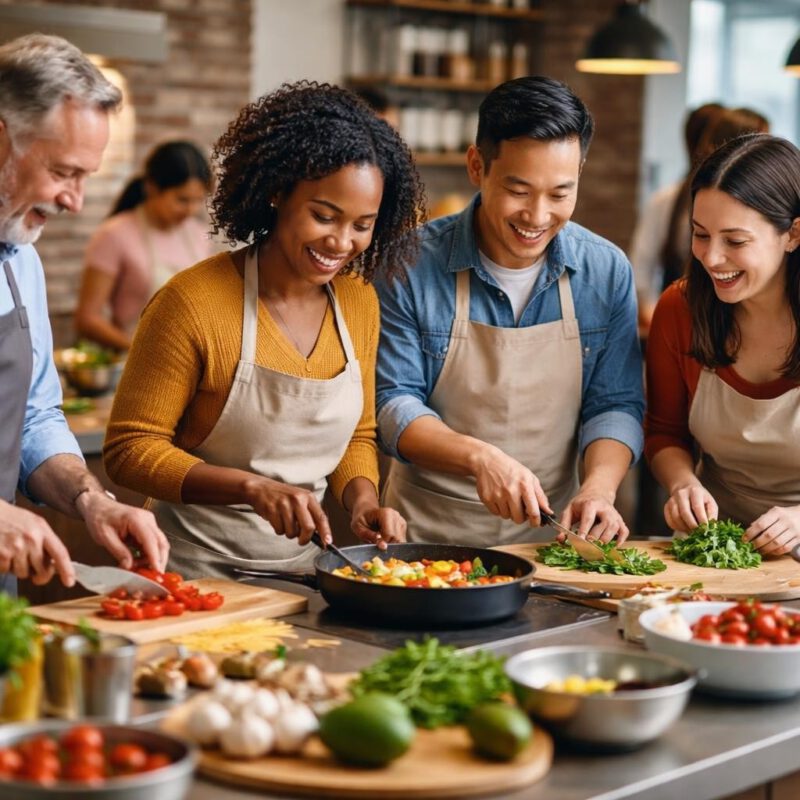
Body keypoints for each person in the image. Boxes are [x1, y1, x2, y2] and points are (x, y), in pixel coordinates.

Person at [104, 81, 424, 577]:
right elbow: (129, 451)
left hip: (305, 573)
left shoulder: (359, 303)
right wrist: (249, 488)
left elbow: (357, 433)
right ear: (277, 192)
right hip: (189, 571)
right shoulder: (193, 303)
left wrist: (362, 502)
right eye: (324, 215)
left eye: (363, 224)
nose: (341, 242)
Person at [376, 76, 644, 546]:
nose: (538, 216)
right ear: (477, 166)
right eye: (519, 191)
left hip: (552, 539)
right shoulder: (410, 263)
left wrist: (599, 488)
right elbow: (393, 402)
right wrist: (481, 458)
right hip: (426, 540)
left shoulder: (605, 270)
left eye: (560, 194)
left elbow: (615, 403)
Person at [0, 33, 169, 594]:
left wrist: (90, 500)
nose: (75, 201)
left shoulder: (21, 262)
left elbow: (32, 420)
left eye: (84, 178)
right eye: (64, 172)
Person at [645, 133, 800, 555]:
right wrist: (682, 483)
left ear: (793, 234)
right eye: (700, 234)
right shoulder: (681, 310)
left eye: (734, 241)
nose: (711, 258)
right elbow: (664, 432)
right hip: (716, 552)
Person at [75, 140, 213, 351]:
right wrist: (142, 351)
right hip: (134, 361)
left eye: (197, 200)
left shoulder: (198, 234)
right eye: (182, 200)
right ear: (152, 188)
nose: (191, 210)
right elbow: (87, 319)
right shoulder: (114, 234)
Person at [629, 102, 725, 337]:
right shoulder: (668, 200)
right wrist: (659, 321)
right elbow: (641, 269)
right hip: (679, 324)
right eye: (701, 235)